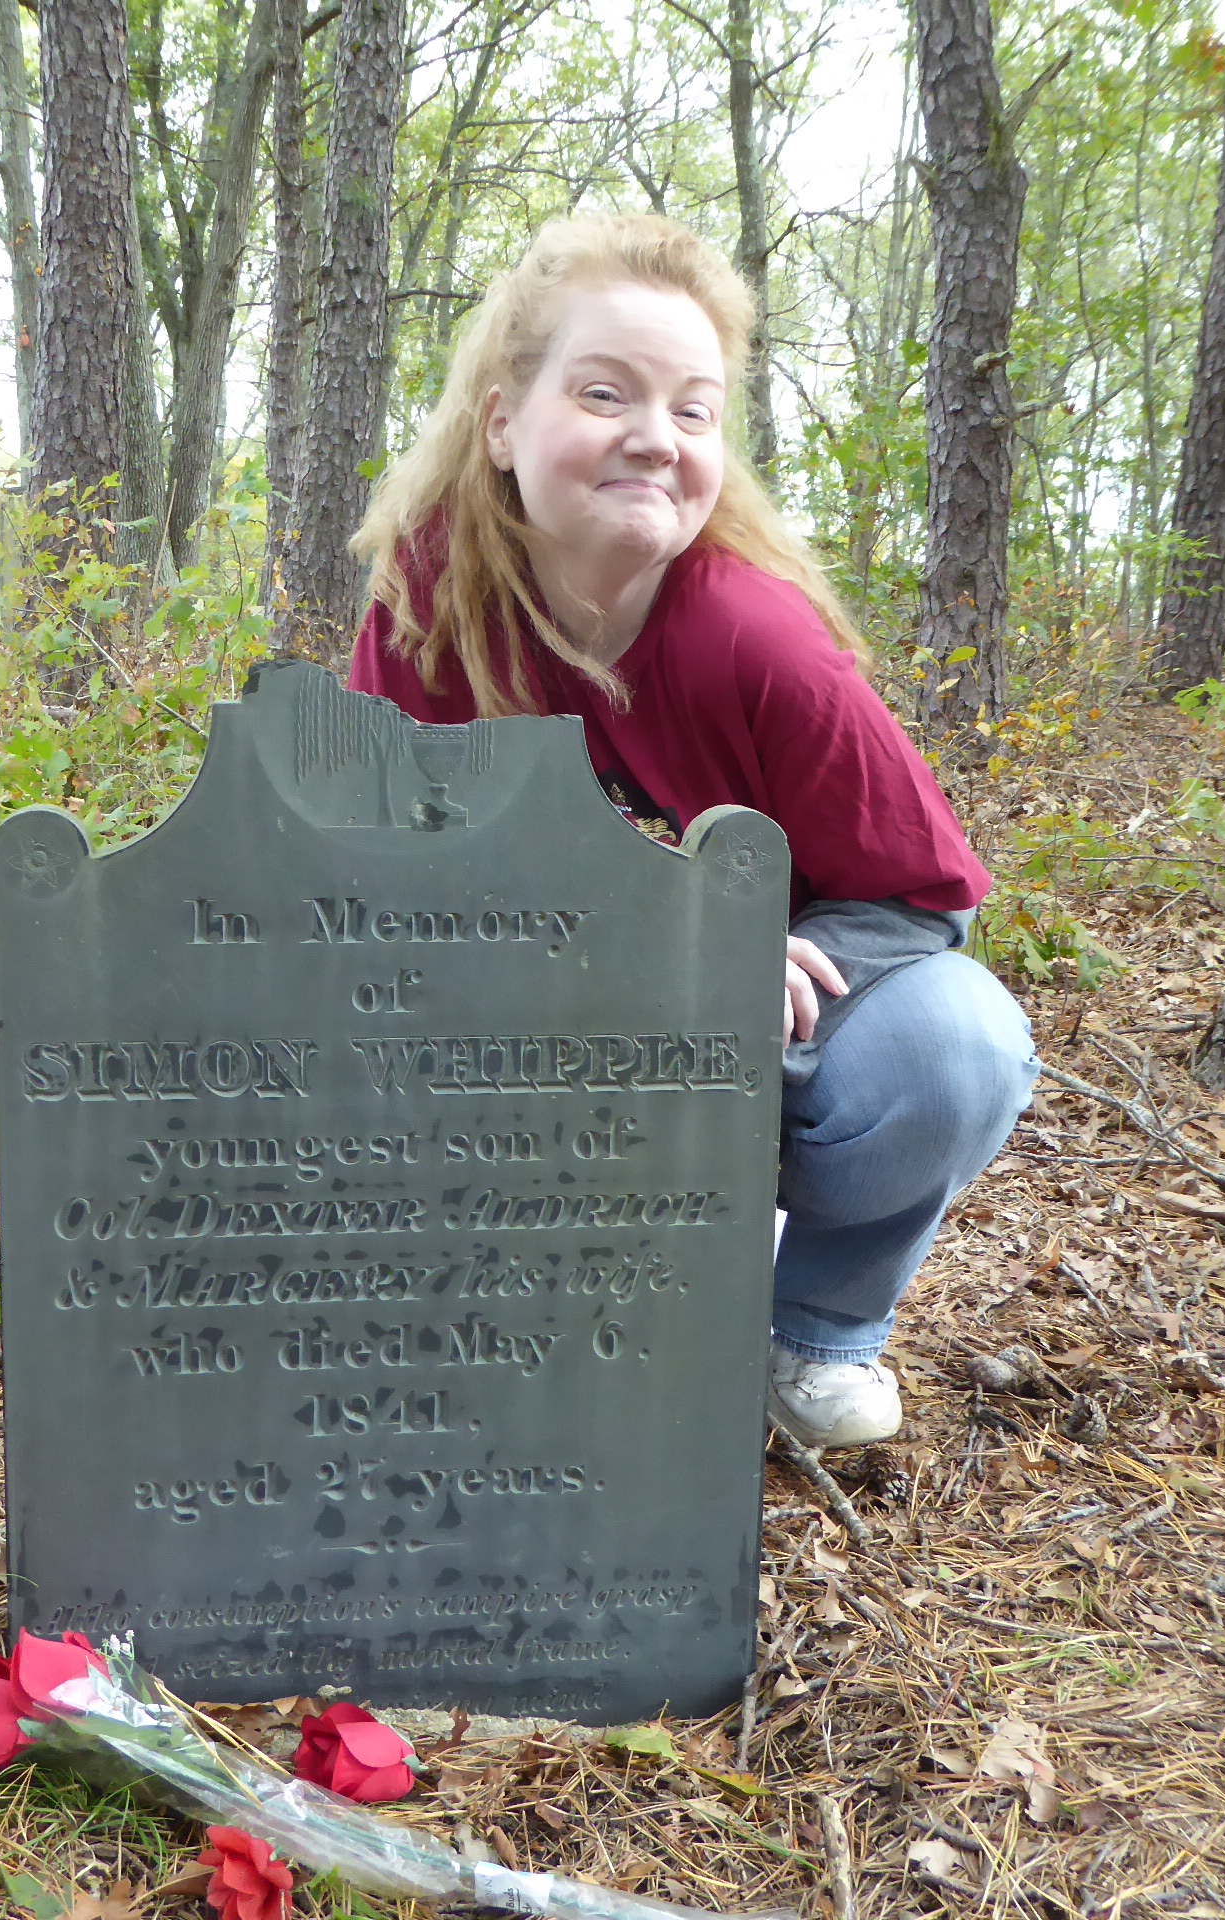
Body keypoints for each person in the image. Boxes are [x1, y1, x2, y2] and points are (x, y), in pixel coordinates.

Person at [346, 212, 1038, 1449]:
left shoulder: (757, 641)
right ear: (501, 421)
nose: (654, 437)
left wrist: (726, 970)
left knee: (959, 1047)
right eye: (604, 392)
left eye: (693, 409)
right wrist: (637, 947)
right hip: (510, 1039)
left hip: (742, 1055)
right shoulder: (430, 610)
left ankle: (813, 1328)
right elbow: (362, 880)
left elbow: (928, 903)